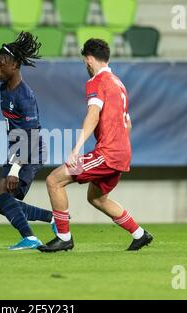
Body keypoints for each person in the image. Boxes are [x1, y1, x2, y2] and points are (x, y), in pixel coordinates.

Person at [38, 38, 153, 253]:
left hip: (108, 154)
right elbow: (128, 123)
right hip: (121, 153)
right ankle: (140, 234)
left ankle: (64, 238)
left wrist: (77, 149)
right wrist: (120, 148)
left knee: (54, 180)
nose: (86, 66)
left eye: (85, 62)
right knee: (97, 198)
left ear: (89, 59)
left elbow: (93, 114)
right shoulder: (119, 84)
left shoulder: (97, 82)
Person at [0, 31, 56, 250]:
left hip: (30, 151)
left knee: (4, 196)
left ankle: (30, 237)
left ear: (15, 65)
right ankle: (53, 218)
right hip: (16, 149)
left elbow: (31, 135)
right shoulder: (4, 89)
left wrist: (15, 169)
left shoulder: (25, 96)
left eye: (1, 64)